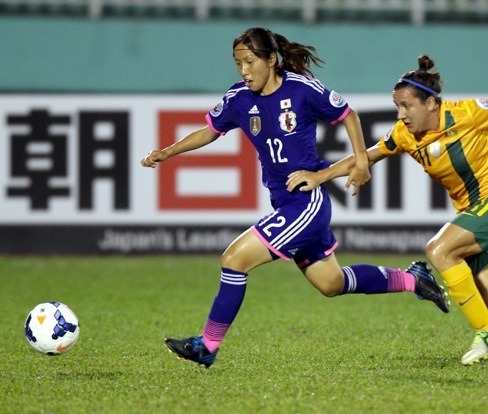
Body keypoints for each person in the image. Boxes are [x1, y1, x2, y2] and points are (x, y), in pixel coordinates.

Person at [140, 29, 449, 369]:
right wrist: (168, 152)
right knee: (331, 283)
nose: (243, 70)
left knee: (233, 260)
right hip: (284, 203)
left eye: (250, 62)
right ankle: (414, 279)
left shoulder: (301, 90)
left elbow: (347, 114)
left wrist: (361, 161)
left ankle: (208, 345)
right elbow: (210, 130)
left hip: (307, 201)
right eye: (238, 63)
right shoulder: (238, 98)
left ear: (271, 60)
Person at [286, 54, 488, 377]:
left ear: (432, 104)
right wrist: (320, 176)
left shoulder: (466, 113)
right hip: (474, 213)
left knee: (439, 250)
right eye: (397, 106)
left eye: (407, 106)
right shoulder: (405, 134)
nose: (401, 114)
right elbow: (366, 156)